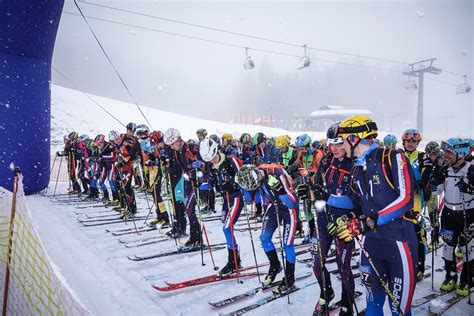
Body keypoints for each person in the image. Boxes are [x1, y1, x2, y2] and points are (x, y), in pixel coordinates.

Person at [335, 115, 417, 316]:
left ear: (354, 139)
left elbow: (406, 199)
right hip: (371, 245)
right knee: (373, 304)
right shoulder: (357, 167)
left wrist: (370, 221)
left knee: (398, 310)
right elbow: (359, 204)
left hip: (399, 242)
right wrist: (350, 216)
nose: (341, 146)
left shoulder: (393, 158)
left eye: (343, 141)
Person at [305, 122, 356, 316]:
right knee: (317, 265)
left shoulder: (355, 164)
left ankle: (347, 308)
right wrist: (310, 191)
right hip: (323, 221)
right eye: (331, 144)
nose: (334, 148)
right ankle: (326, 293)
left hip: (344, 224)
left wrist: (330, 198)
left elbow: (356, 201)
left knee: (344, 269)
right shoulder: (327, 161)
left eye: (338, 143)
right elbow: (317, 186)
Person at [236, 164, 299, 294]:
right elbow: (248, 200)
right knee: (264, 238)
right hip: (274, 205)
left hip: (289, 207)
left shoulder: (277, 172)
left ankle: (290, 278)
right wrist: (242, 187)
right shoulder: (251, 175)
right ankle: (275, 266)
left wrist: (279, 189)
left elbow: (292, 201)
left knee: (287, 244)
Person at [430, 138, 473, 296]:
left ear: (460, 154)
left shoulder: (471, 169)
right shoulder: (444, 170)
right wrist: (434, 188)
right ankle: (450, 276)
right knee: (448, 248)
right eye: (445, 152)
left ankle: (466, 279)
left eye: (449, 152)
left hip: (467, 213)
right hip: (448, 213)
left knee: (467, 248)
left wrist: (470, 188)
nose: (445, 155)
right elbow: (438, 190)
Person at [200, 137, 244, 276]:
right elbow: (211, 181)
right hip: (225, 199)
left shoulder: (230, 160)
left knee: (227, 227)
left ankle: (233, 262)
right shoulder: (210, 165)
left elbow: (243, 177)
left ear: (217, 151)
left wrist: (232, 182)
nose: (212, 161)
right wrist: (201, 183)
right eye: (209, 160)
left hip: (236, 196)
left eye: (213, 157)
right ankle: (236, 258)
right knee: (226, 228)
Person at [401, 129, 433, 281]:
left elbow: (428, 170)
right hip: (399, 200)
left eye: (414, 141)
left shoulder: (422, 156)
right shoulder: (398, 155)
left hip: (415, 200)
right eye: (408, 141)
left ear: (418, 143)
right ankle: (402, 264)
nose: (411, 143)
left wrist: (420, 182)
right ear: (404, 142)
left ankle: (419, 267)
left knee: (416, 233)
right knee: (400, 233)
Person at [164, 128, 203, 249]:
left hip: (198, 181)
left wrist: (199, 167)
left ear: (179, 140)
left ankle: (195, 238)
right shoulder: (176, 152)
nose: (171, 147)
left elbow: (204, 159)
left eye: (173, 143)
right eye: (169, 145)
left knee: (190, 209)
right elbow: (177, 167)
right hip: (187, 181)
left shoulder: (191, 148)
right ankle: (196, 238)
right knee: (188, 210)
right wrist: (168, 166)